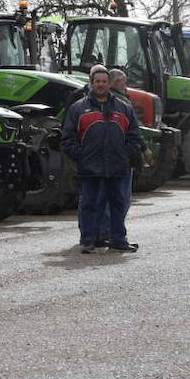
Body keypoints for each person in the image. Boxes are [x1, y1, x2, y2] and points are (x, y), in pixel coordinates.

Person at [61, 64, 145, 254]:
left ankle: (118, 239)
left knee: (118, 203)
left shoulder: (124, 108)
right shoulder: (78, 109)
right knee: (90, 203)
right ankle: (89, 240)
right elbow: (67, 138)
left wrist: (126, 154)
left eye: (104, 82)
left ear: (109, 84)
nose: (101, 85)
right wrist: (81, 157)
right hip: (90, 167)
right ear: (91, 83)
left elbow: (134, 135)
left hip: (117, 165)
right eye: (97, 81)